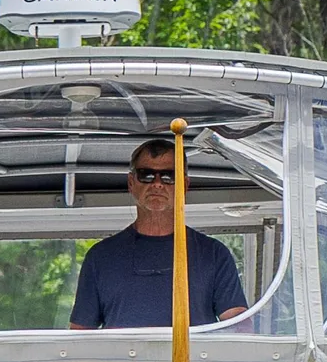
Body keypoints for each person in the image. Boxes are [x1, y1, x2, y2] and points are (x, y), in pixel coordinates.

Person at [69, 139, 249, 329]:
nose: (157, 184)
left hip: (193, 359)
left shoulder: (213, 254)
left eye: (168, 176)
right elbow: (79, 336)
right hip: (121, 360)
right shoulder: (100, 257)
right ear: (131, 183)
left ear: (184, 185)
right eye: (146, 175)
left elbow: (239, 325)